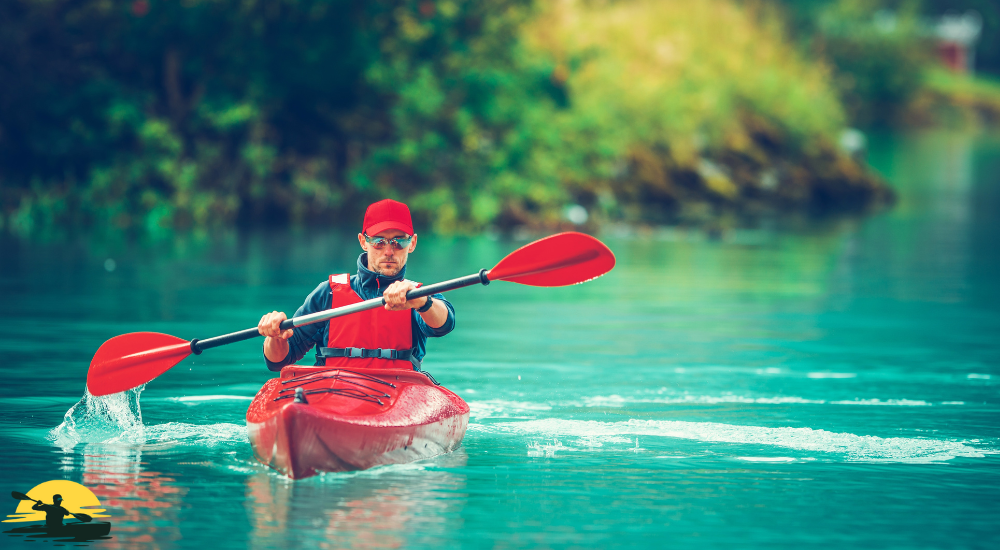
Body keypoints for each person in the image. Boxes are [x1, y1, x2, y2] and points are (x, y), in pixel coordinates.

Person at [258, 199, 455, 373]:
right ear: (363, 241)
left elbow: (445, 324)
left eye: (398, 242)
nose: (388, 251)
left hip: (398, 398)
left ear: (412, 244)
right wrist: (275, 337)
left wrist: (421, 301)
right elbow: (279, 361)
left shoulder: (418, 294)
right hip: (333, 396)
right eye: (379, 241)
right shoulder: (328, 293)